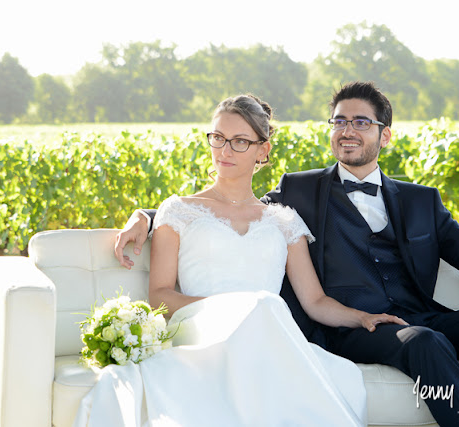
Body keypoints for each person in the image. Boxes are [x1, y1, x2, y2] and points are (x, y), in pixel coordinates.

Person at [115, 82, 459, 427]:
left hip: (418, 314)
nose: (348, 129)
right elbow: (224, 210)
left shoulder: (420, 200)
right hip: (349, 326)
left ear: (384, 135)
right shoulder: (298, 192)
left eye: (361, 121)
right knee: (423, 340)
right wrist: (147, 216)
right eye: (340, 120)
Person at [77, 94, 411, 426]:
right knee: (261, 307)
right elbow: (160, 294)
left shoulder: (284, 220)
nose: (224, 151)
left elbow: (315, 301)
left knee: (265, 309)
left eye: (239, 141)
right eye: (218, 138)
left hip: (266, 334)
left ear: (262, 151)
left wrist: (363, 317)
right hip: (202, 328)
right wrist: (233, 309)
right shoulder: (178, 210)